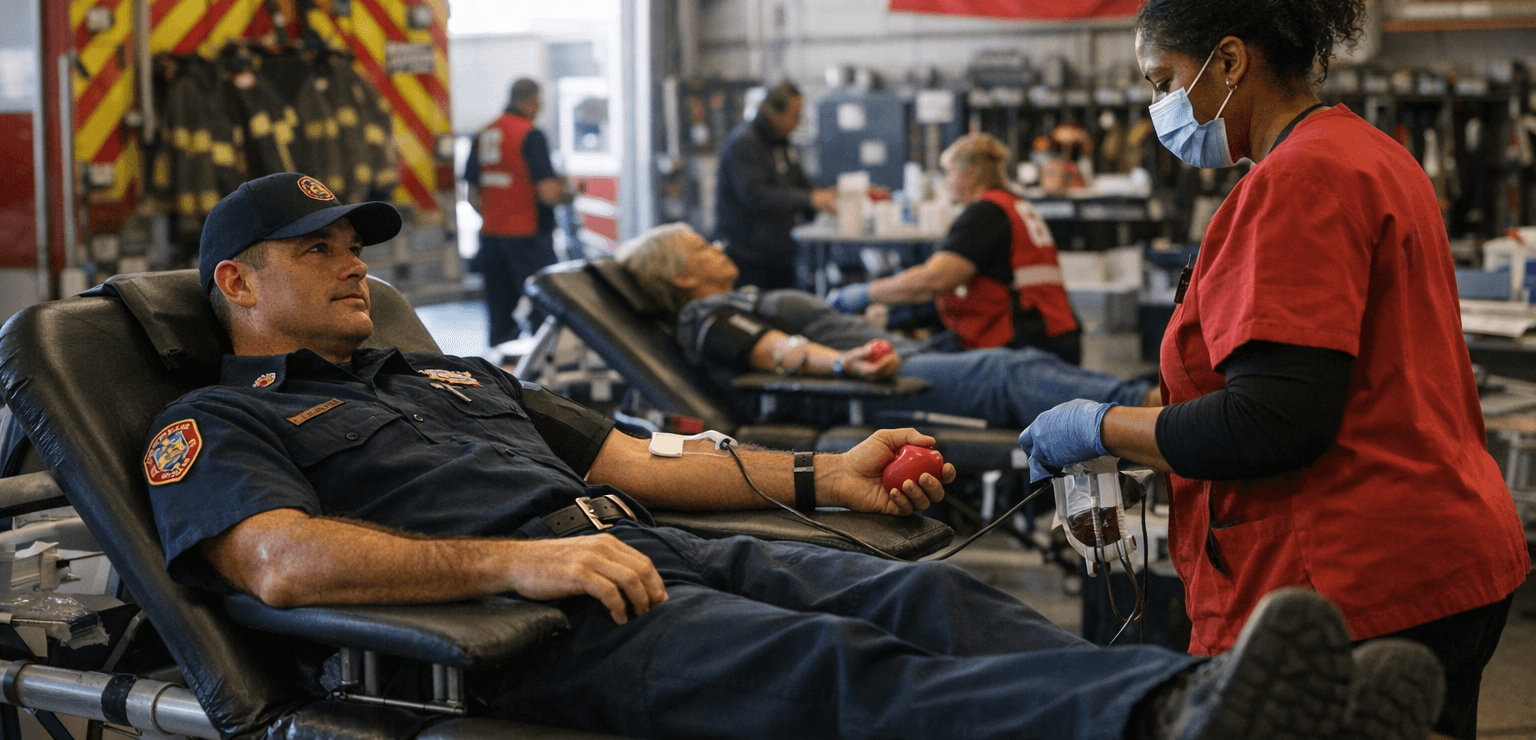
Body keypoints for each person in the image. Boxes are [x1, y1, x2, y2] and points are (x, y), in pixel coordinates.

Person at [146, 171, 1443, 740]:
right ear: (237, 284)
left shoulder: (449, 372)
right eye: (319, 250)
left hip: (646, 546)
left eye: (353, 244)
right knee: (834, 666)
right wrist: (520, 563)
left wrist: (827, 477)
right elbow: (278, 562)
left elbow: (645, 459)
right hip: (532, 621)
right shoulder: (218, 421)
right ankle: (1167, 720)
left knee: (919, 595)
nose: (354, 265)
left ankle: (1232, 700)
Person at [1017, 0, 1529, 740]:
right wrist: (1145, 433)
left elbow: (1273, 421)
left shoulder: (1297, 180)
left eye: (1162, 81)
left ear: (1228, 62)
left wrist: (1098, 428)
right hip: (1443, 549)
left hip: (1350, 580)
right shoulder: (1371, 154)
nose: (1159, 107)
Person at [619, 223, 1155, 431]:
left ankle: (1139, 401)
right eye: (702, 248)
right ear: (682, 276)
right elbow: (775, 351)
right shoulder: (703, 316)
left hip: (893, 358)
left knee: (1018, 361)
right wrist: (842, 363)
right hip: (871, 384)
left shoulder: (734, 300)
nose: (718, 246)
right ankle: (1145, 408)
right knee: (1003, 372)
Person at [826, 132, 1082, 364]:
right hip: (1054, 331)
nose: (948, 183)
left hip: (1027, 343)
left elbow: (933, 280)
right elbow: (977, 289)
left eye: (950, 173)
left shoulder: (986, 213)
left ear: (971, 174)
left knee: (912, 365)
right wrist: (893, 315)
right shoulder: (1014, 205)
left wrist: (864, 293)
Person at [465, 78, 564, 346]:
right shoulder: (530, 134)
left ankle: (501, 367)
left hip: (492, 237)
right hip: (528, 238)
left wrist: (495, 214)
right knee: (543, 312)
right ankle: (542, 365)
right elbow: (549, 192)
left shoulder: (484, 133)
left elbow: (471, 194)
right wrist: (569, 191)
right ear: (531, 102)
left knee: (501, 317)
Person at [714, 80, 837, 290]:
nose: (798, 123)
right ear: (774, 114)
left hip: (779, 255)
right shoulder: (745, 144)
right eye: (794, 116)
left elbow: (800, 183)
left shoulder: (781, 143)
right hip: (748, 258)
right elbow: (755, 196)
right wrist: (810, 199)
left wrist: (826, 195)